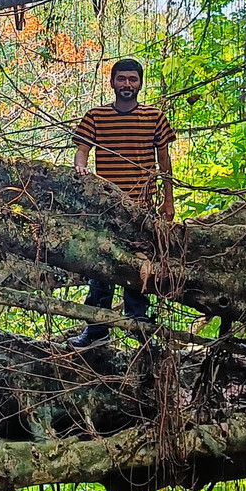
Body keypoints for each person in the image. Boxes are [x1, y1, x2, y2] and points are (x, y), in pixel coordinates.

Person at [68, 58, 176, 349]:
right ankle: (97, 331)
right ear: (112, 82)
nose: (127, 85)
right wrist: (81, 169)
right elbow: (82, 150)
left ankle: (139, 329)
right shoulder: (96, 117)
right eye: (121, 79)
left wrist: (169, 200)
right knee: (99, 268)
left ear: (140, 83)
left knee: (138, 267)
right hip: (106, 208)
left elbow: (164, 162)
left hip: (142, 208)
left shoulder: (154, 117)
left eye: (133, 79)